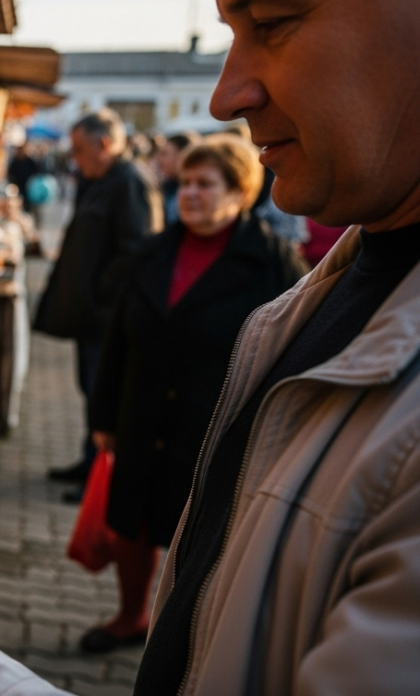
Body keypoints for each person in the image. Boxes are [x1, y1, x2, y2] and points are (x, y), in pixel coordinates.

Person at [0, 0, 420, 693]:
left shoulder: (282, 277)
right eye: (229, 33)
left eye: (275, 20)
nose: (226, 96)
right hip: (139, 426)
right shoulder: (327, 292)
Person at [81, 134, 307, 653]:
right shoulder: (153, 251)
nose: (190, 193)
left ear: (240, 190)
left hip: (216, 424)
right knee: (134, 523)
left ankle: (186, 632)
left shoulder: (273, 263)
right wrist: (103, 415)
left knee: (204, 532)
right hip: (142, 413)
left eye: (205, 184)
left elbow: (293, 354)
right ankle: (131, 616)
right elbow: (117, 338)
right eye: (185, 182)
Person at [34, 109, 162, 498]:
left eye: (78, 149)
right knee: (91, 393)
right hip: (92, 317)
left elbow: (138, 250)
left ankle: (100, 482)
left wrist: (101, 293)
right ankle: (88, 462)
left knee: (104, 396)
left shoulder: (129, 182)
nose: (74, 158)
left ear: (103, 144)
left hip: (108, 318)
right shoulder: (105, 179)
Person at [154, 131, 202, 227]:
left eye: (165, 154)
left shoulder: (197, 192)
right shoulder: (164, 187)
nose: (160, 160)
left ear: (183, 155)